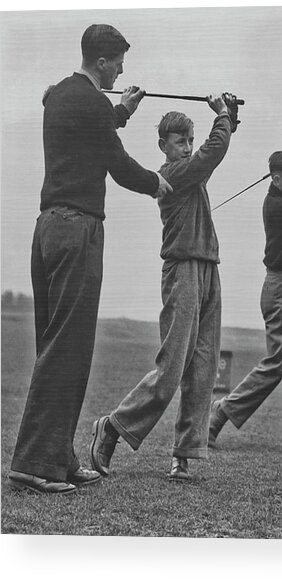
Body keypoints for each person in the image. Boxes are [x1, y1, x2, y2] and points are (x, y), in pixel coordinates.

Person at [8, 24, 171, 495]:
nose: (122, 70)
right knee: (69, 348)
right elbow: (117, 165)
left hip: (47, 230)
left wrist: (123, 110)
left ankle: (57, 457)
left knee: (54, 343)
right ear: (102, 61)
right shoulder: (90, 103)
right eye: (119, 62)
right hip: (79, 228)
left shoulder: (59, 95)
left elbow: (92, 128)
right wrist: (155, 183)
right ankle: (33, 465)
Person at [89, 95, 238, 481]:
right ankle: (112, 427)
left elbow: (216, 146)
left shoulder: (192, 167)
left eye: (190, 139)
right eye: (180, 141)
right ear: (164, 147)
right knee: (172, 367)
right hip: (182, 271)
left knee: (203, 369)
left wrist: (229, 117)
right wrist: (220, 115)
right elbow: (213, 152)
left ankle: (184, 454)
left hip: (209, 269)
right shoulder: (174, 172)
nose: (187, 147)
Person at [206, 151, 282, 455]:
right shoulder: (278, 205)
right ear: (275, 179)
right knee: (276, 364)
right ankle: (220, 412)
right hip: (281, 287)